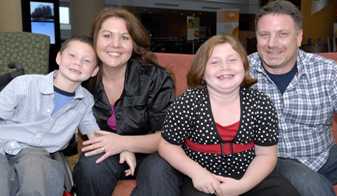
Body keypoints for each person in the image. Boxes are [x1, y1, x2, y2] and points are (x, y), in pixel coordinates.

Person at [159, 34, 300, 196]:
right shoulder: (188, 102)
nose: (224, 67)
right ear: (202, 71)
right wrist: (197, 173)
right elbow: (167, 145)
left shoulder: (261, 103)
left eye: (232, 60)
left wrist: (242, 185)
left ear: (244, 66)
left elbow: (266, 155)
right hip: (203, 178)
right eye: (214, 62)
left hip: (250, 176)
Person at [72, 7, 182, 196]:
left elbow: (168, 137)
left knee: (159, 170)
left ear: (134, 44)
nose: (115, 44)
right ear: (95, 40)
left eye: (124, 37)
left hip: (153, 153)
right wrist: (119, 147)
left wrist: (124, 143)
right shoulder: (84, 78)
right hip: (108, 151)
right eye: (107, 35)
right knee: (91, 165)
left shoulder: (156, 78)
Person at [248, 1, 337, 196]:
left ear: (298, 37)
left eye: (282, 34)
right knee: (313, 187)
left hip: (323, 156)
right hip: (273, 160)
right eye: (264, 35)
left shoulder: (328, 71)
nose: (272, 43)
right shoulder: (240, 72)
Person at [0, 36, 102, 196]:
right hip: (3, 141)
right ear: (59, 58)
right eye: (72, 55)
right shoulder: (24, 84)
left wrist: (122, 148)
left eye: (87, 61)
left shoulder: (86, 100)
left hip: (38, 153)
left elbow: (93, 131)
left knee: (37, 175)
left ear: (94, 71)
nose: (77, 63)